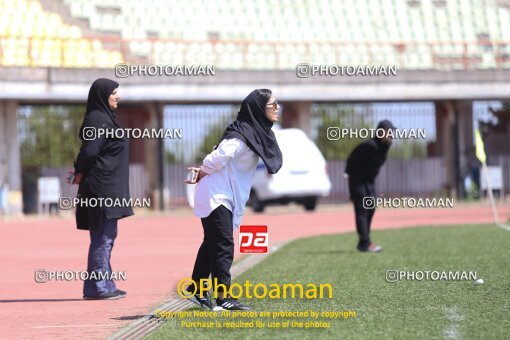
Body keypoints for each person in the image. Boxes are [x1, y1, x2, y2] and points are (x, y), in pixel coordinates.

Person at [184, 89, 282, 310]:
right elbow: (220, 155)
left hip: (224, 193)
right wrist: (202, 171)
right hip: (216, 193)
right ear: (259, 108)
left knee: (213, 242)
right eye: (272, 104)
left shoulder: (253, 131)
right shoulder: (242, 133)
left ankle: (196, 290)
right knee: (223, 244)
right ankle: (223, 297)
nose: (277, 108)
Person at [72, 78, 133, 300]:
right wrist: (79, 170)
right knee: (103, 238)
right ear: (102, 96)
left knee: (107, 237)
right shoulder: (97, 120)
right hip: (101, 190)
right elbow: (89, 153)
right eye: (113, 93)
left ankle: (102, 284)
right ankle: (98, 287)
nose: (118, 96)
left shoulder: (105, 119)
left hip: (108, 188)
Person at [345, 120, 394, 253]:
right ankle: (365, 243)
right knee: (362, 211)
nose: (391, 135)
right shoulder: (368, 145)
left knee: (371, 208)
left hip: (369, 182)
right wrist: (348, 175)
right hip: (357, 180)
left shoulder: (384, 147)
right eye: (388, 132)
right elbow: (351, 160)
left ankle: (363, 241)